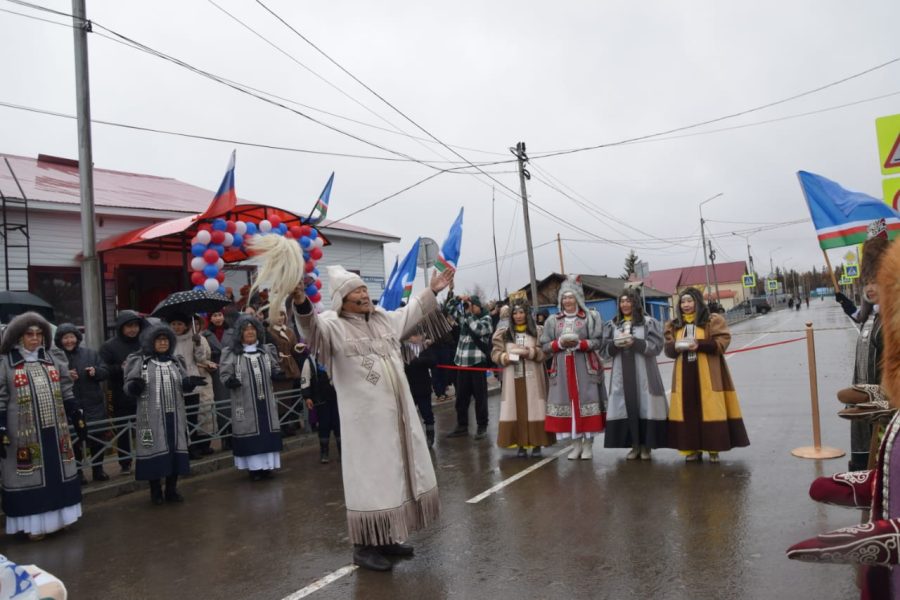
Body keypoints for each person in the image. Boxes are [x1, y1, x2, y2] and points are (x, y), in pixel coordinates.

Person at [253, 231, 452, 572]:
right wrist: (301, 301)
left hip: (397, 419)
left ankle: (387, 538)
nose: (364, 294)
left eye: (364, 288)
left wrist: (432, 289)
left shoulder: (384, 320)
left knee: (394, 478)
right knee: (371, 481)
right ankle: (363, 547)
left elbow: (413, 311)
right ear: (343, 299)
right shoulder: (332, 327)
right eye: (357, 291)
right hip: (364, 424)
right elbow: (309, 327)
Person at [786, 232, 900, 598]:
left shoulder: (887, 321)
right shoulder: (872, 318)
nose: (870, 289)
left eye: (874, 283)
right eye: (867, 283)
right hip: (882, 411)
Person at [0, 312, 82, 539]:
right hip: (23, 433)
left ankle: (60, 519)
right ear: (18, 337)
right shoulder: (6, 363)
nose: (35, 339)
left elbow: (66, 388)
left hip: (56, 429)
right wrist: (1, 426)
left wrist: (76, 411)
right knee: (30, 473)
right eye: (29, 334)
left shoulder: (52, 359)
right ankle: (34, 526)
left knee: (58, 471)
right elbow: (1, 397)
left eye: (39, 334)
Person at [664, 288, 749, 462]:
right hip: (683, 374)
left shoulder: (711, 320)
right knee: (687, 408)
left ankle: (713, 448)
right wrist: (676, 346)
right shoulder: (674, 325)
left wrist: (700, 345)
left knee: (710, 407)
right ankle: (692, 449)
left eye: (690, 301)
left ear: (697, 302)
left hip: (708, 372)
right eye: (683, 302)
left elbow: (722, 342)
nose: (686, 305)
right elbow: (668, 350)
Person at [124, 323, 201, 505]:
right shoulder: (140, 362)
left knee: (174, 451)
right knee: (154, 450)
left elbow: (183, 382)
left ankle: (172, 490)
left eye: (166, 339)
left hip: (174, 416)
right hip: (151, 417)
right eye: (159, 340)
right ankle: (155, 491)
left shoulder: (175, 361)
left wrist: (189, 383)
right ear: (151, 342)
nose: (163, 343)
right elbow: (128, 386)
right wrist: (134, 386)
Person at [540, 275, 606, 460]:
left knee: (586, 403)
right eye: (564, 297)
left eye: (571, 297)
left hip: (584, 368)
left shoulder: (590, 318)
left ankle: (588, 445)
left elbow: (598, 341)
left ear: (578, 298)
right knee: (568, 406)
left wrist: (581, 345)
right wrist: (558, 344)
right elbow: (544, 345)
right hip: (561, 370)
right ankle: (575, 445)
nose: (567, 301)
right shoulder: (553, 321)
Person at [602, 289, 668, 460]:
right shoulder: (613, 325)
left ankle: (646, 446)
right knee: (626, 406)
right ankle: (634, 445)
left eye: (628, 301)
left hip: (643, 373)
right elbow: (604, 351)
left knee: (645, 405)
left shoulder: (648, 323)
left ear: (635, 303)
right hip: (620, 374)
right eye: (622, 301)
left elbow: (656, 347)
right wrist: (617, 344)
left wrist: (635, 342)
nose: (625, 304)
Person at [219, 315, 283, 481]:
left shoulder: (265, 350)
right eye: (246, 329)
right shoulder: (232, 353)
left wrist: (277, 374)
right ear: (240, 333)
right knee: (250, 430)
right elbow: (225, 374)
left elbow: (274, 367)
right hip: (245, 401)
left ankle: (267, 468)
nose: (250, 332)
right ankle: (254, 470)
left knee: (267, 430)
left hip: (266, 402)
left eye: (252, 328)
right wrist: (229, 381)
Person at [491, 296, 555, 458]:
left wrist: (530, 353)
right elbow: (495, 354)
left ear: (527, 314)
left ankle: (537, 442)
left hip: (534, 378)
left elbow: (546, 353)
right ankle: (520, 443)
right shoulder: (504, 334)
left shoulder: (538, 332)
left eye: (521, 312)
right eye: (515, 313)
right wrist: (507, 357)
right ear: (511, 315)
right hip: (513, 379)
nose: (518, 316)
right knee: (514, 408)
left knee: (535, 409)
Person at [53, 323, 111, 483]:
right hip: (69, 405)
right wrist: (63, 376)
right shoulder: (54, 357)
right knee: (73, 440)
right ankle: (78, 473)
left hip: (93, 403)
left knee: (97, 439)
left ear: (77, 338)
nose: (69, 341)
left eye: (71, 337)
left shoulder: (90, 353)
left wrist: (96, 372)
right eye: (65, 338)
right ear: (59, 340)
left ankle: (98, 470)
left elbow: (105, 371)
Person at [99, 310, 146, 474]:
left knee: (145, 427)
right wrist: (120, 367)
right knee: (123, 430)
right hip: (120, 394)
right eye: (129, 326)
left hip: (143, 393)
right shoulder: (109, 346)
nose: (133, 330)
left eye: (136, 326)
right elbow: (103, 369)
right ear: (121, 327)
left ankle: (146, 458)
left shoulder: (144, 342)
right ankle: (125, 463)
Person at [446, 295, 494, 440]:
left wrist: (468, 314)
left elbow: (478, 330)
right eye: (469, 305)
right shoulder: (466, 317)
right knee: (461, 397)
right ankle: (462, 425)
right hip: (462, 363)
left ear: (479, 306)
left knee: (480, 397)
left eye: (472, 305)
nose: (470, 307)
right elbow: (449, 309)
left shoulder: (486, 319)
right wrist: (455, 297)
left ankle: (482, 426)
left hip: (477, 363)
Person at [167, 313, 214, 459]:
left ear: (186, 325)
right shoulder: (167, 339)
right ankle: (181, 448)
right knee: (180, 419)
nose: (176, 327)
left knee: (192, 417)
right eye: (173, 324)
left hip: (193, 382)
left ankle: (193, 447)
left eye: (180, 324)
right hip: (176, 383)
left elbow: (201, 358)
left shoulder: (193, 338)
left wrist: (198, 343)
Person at [267, 309, 305, 436]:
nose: (280, 317)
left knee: (292, 397)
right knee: (280, 398)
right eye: (277, 314)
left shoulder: (289, 331)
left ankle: (290, 423)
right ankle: (281, 426)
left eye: (282, 314)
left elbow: (293, 347)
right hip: (278, 365)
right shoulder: (269, 332)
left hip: (291, 365)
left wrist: (297, 347)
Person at [301, 358, 341, 463]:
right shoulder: (310, 360)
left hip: (337, 398)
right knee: (324, 426)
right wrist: (307, 397)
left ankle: (343, 453)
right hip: (321, 399)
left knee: (339, 425)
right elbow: (305, 378)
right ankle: (324, 453)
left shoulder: (334, 355)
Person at [403, 330, 438, 447]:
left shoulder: (424, 348)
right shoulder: (403, 350)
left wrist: (418, 361)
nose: (417, 337)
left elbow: (433, 362)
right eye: (413, 335)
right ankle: (412, 438)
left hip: (423, 387)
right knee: (408, 415)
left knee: (427, 413)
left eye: (418, 335)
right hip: (409, 388)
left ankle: (430, 437)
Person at [201, 311, 230, 450]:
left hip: (232, 369)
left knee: (234, 403)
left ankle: (235, 435)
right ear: (210, 318)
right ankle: (225, 436)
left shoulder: (233, 331)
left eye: (219, 315)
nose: (218, 318)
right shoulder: (205, 335)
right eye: (214, 315)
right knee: (222, 405)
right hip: (216, 371)